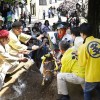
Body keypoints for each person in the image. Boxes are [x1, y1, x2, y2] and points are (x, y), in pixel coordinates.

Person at [78, 23, 100, 100]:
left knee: (87, 92)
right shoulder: (99, 41)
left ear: (83, 34)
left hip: (92, 76)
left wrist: (79, 55)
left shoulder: (83, 47)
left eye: (80, 33)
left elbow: (82, 64)